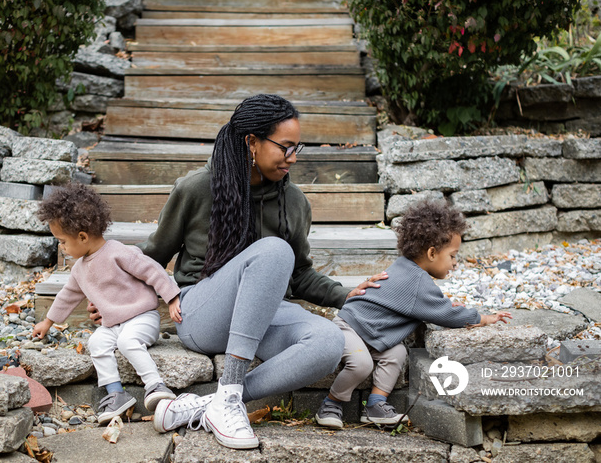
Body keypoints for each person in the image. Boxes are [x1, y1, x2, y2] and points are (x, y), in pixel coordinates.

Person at [88, 94, 384, 449]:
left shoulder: (294, 202)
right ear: (252, 142)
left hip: (263, 314)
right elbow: (153, 255)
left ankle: (212, 402)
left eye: (297, 148)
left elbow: (300, 274)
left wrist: (344, 294)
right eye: (285, 147)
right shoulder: (197, 188)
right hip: (201, 313)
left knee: (329, 342)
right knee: (274, 251)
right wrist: (114, 294)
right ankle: (228, 398)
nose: (293, 158)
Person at [314, 200, 513, 429]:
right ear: (431, 253)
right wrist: (484, 318)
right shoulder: (417, 281)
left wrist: (446, 307)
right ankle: (331, 403)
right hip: (349, 327)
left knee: (397, 352)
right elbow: (444, 313)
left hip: (372, 335)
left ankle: (376, 405)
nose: (455, 263)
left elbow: (433, 306)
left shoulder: (406, 268)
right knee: (361, 364)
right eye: (453, 256)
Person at [32, 183, 180, 424]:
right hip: (113, 324)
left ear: (82, 236)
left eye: (62, 241)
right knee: (96, 341)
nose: (61, 247)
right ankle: (116, 393)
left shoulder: (118, 252)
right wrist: (48, 321)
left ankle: (155, 385)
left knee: (127, 341)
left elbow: (151, 270)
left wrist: (172, 297)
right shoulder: (79, 269)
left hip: (142, 317)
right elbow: (68, 294)